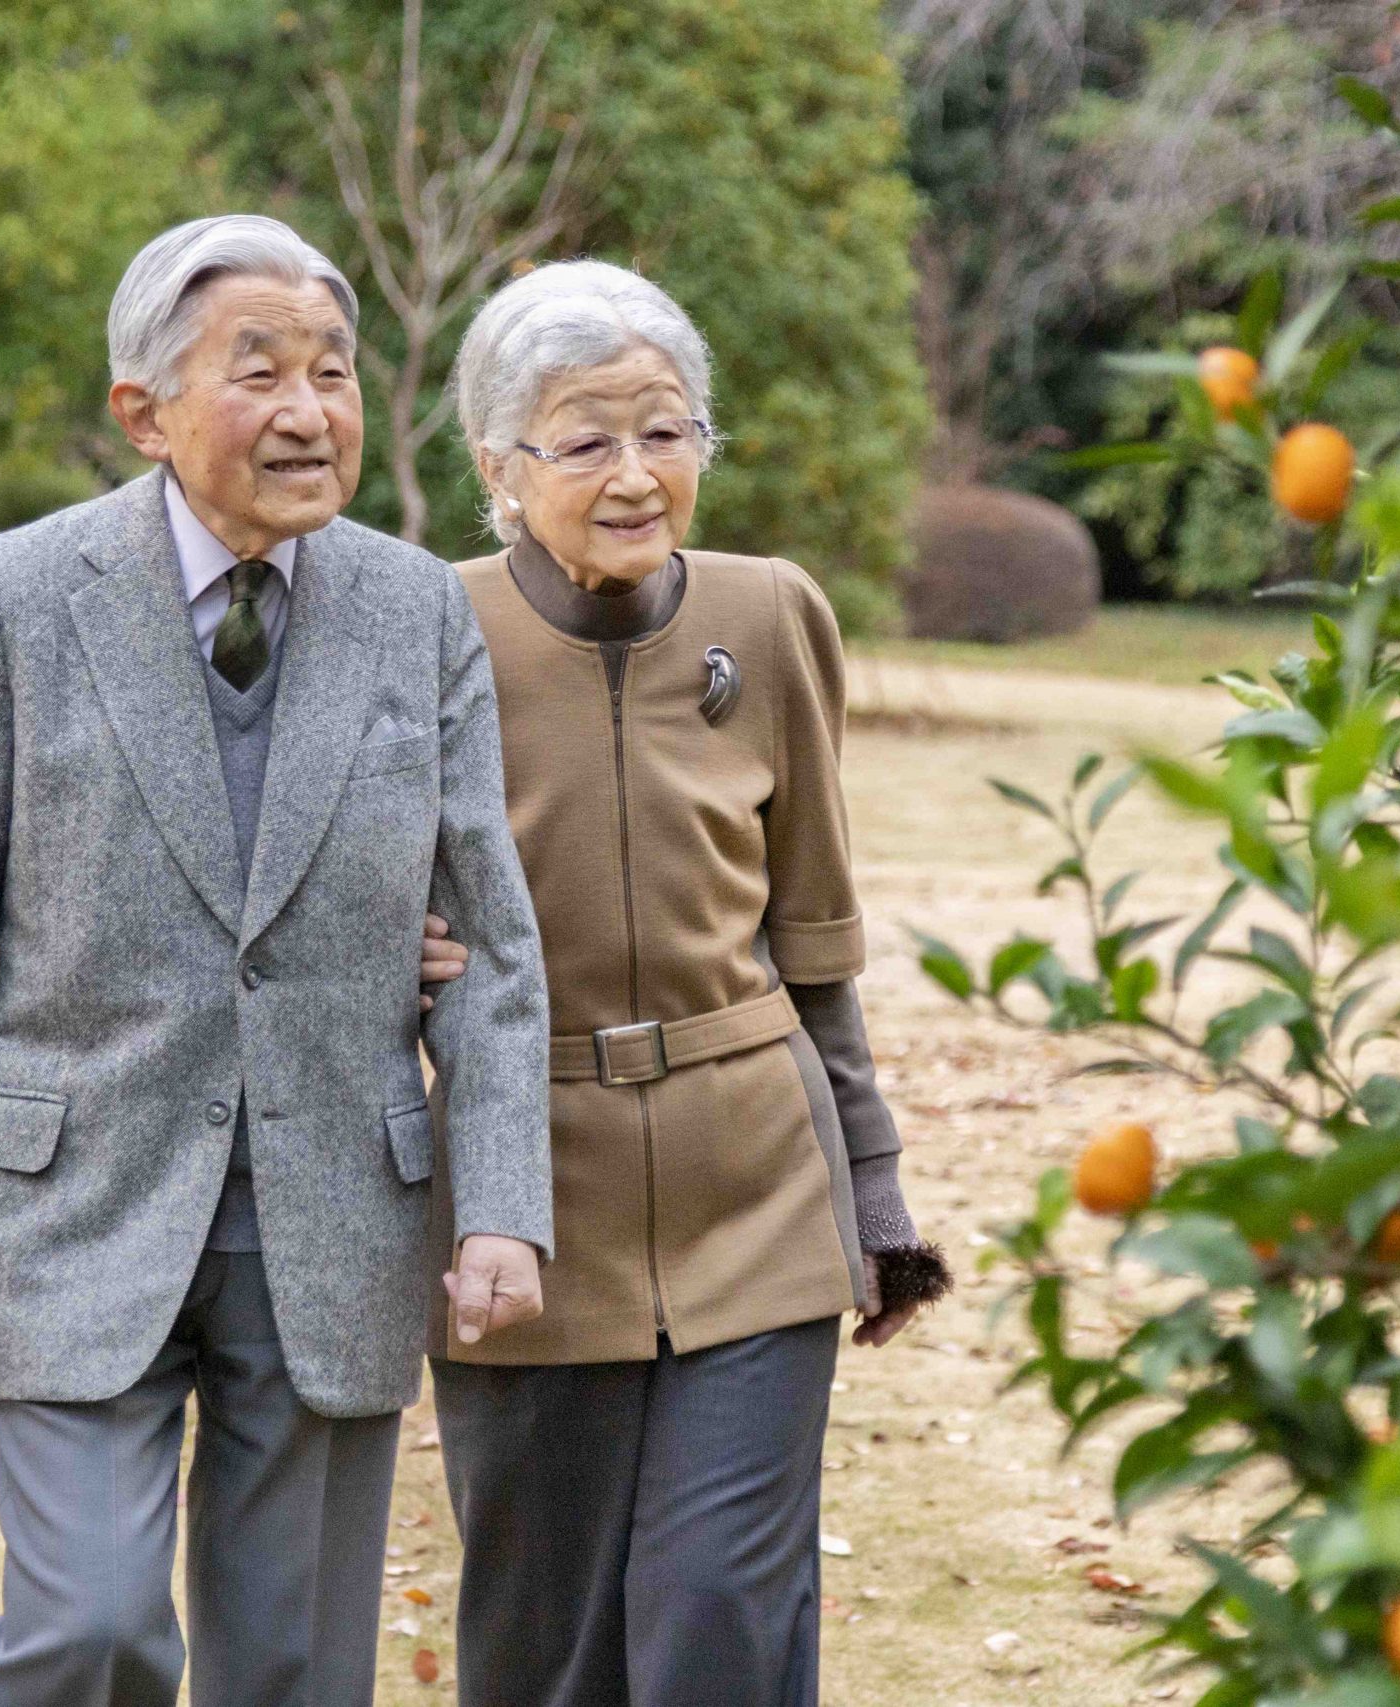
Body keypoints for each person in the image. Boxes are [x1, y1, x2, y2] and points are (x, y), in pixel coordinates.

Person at [0, 214, 553, 1707]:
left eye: (336, 372)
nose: (310, 409)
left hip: (340, 1206)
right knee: (86, 1631)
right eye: (262, 371)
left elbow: (485, 939)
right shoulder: (15, 599)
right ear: (143, 413)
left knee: (290, 1667)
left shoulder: (416, 609)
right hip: (74, 1198)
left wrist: (504, 1206)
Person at [427, 259, 951, 1707]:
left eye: (667, 432)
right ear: (499, 466)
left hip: (757, 1189)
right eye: (586, 439)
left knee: (723, 1616)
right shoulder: (428, 632)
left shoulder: (772, 616)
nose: (635, 473)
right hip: (522, 1200)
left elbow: (817, 941)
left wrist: (877, 1195)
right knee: (549, 1650)